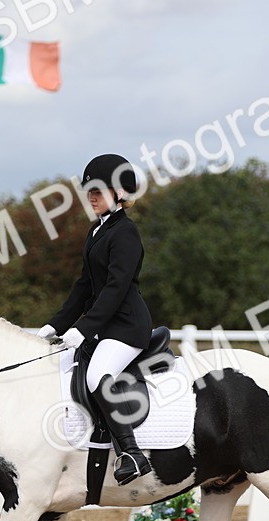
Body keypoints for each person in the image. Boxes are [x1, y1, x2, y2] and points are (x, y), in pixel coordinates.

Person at [37, 154, 154, 485]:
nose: (91, 197)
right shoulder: (97, 231)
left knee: (96, 376)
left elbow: (116, 288)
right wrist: (56, 325)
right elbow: (85, 285)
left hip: (127, 326)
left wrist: (84, 328)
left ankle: (131, 453)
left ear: (119, 193)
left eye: (98, 191)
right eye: (89, 191)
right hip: (106, 326)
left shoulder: (126, 233)